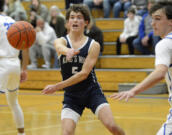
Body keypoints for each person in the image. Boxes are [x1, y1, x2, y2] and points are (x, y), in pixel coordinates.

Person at [42, 4, 125, 135]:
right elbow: (59, 47)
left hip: (92, 92)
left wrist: (57, 86)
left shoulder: (93, 45)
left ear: (86, 22)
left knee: (112, 126)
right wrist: (68, 51)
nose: (75, 20)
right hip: (71, 96)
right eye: (72, 17)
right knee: (66, 133)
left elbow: (84, 74)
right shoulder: (60, 41)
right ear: (68, 22)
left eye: (79, 18)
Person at [111, 2, 172, 135]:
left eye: (158, 19)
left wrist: (133, 91)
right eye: (152, 19)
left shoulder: (165, 44)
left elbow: (160, 72)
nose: (152, 24)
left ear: (170, 22)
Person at [0, 0, 29, 135]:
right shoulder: (14, 21)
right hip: (15, 64)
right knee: (13, 102)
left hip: (0, 63)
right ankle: (21, 133)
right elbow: (25, 46)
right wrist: (24, 68)